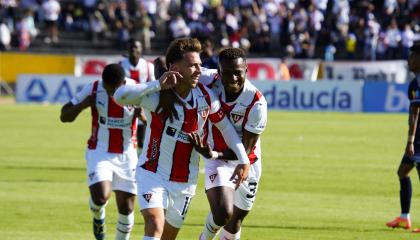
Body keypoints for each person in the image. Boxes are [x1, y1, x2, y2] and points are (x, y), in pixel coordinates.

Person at [113, 38, 250, 240]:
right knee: (154, 224)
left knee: (167, 237)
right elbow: (119, 96)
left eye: (200, 66)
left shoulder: (206, 98)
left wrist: (244, 160)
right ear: (174, 68)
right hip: (152, 173)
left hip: (185, 182)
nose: (198, 71)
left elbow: (227, 130)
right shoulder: (157, 95)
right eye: (192, 66)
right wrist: (157, 84)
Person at [193, 48, 267, 240]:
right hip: (217, 159)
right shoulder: (207, 79)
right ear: (218, 71)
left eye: (238, 72)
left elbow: (244, 149)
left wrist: (213, 153)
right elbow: (171, 67)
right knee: (222, 213)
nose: (233, 78)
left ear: (246, 70)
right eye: (227, 72)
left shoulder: (256, 102)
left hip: (245, 161)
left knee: (234, 222)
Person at [60, 64, 139, 240]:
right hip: (100, 151)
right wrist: (84, 104)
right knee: (101, 197)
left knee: (126, 208)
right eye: (107, 89)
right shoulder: (94, 88)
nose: (110, 94)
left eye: (113, 90)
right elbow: (64, 115)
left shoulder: (136, 90)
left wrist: (143, 116)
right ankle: (98, 216)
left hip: (127, 154)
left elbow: (154, 118)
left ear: (122, 83)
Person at [386, 41, 420, 232]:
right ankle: (404, 217)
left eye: (412, 55)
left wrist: (411, 141)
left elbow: (415, 112)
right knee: (402, 172)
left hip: (418, 140)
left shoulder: (418, 83)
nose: (409, 59)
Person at [119, 38, 155, 150]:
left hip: (143, 106)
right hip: (125, 106)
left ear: (141, 49)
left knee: (141, 140)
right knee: (124, 138)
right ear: (127, 49)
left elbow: (154, 86)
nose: (134, 49)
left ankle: (138, 164)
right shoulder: (121, 65)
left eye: (136, 47)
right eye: (131, 47)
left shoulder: (148, 66)